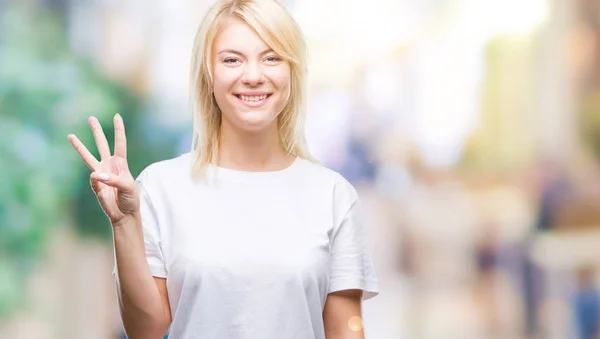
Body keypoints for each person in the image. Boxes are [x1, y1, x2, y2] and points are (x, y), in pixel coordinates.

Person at [67, 0, 379, 338]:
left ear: (292, 71)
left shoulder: (332, 195)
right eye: (232, 60)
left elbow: (347, 329)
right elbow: (147, 330)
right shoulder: (160, 187)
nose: (254, 76)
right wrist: (124, 223)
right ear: (208, 76)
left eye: (271, 57)